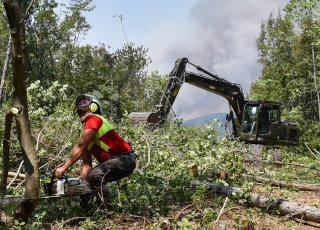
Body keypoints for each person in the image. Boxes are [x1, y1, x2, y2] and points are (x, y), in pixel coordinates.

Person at [54, 94, 136, 209]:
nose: (81, 113)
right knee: (88, 182)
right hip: (115, 162)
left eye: (84, 110)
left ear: (93, 107)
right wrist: (85, 182)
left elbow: (80, 147)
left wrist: (63, 168)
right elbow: (86, 164)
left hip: (125, 159)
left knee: (95, 176)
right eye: (79, 112)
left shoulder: (94, 119)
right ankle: (88, 215)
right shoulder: (87, 132)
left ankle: (107, 212)